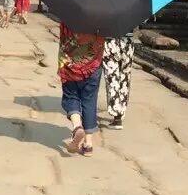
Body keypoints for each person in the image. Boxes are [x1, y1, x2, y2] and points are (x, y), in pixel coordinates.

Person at [58, 23, 105, 155]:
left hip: (70, 65)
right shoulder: (104, 18)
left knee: (71, 96)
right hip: (93, 66)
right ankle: (88, 144)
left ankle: (77, 126)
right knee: (89, 100)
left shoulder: (68, 16)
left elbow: (64, 37)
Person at [101, 36, 136, 130]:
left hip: (110, 41)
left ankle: (117, 116)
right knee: (125, 79)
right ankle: (121, 109)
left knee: (112, 79)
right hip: (127, 42)